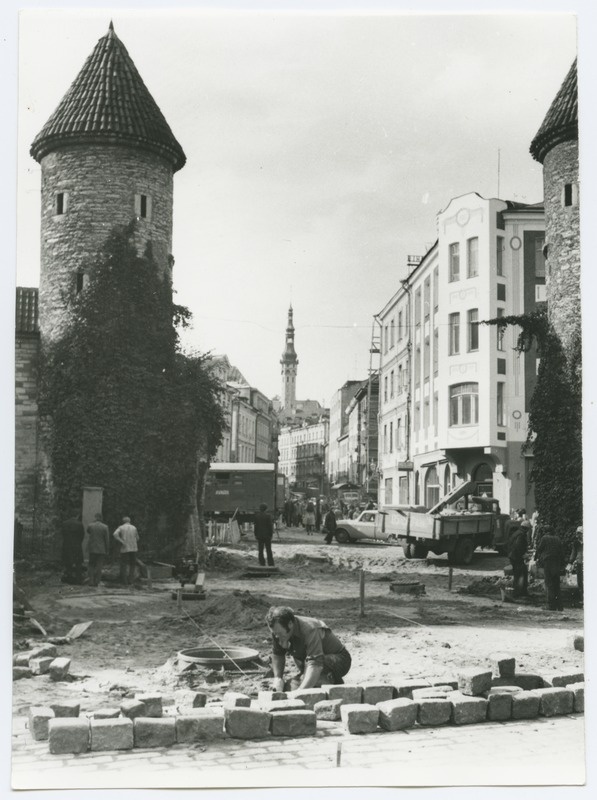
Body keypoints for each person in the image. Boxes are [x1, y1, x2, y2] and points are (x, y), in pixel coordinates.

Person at [266, 606, 351, 691]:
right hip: (310, 663)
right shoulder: (277, 629)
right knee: (289, 687)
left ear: (290, 624)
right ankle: (326, 680)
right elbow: (278, 654)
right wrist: (278, 679)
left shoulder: (309, 629)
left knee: (302, 687)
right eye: (274, 633)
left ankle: (332, 683)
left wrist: (300, 693)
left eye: (279, 633)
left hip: (339, 660)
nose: (276, 636)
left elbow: (316, 664)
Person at [535, 525, 565, 611]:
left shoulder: (544, 538)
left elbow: (539, 549)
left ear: (546, 531)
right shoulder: (557, 539)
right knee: (556, 584)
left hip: (548, 562)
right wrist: (562, 564)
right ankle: (559, 606)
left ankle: (551, 606)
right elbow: (561, 553)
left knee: (549, 583)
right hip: (557, 562)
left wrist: (536, 558)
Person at [113, 516, 139, 585]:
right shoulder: (134, 527)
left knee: (124, 564)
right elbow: (138, 538)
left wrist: (121, 541)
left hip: (125, 547)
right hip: (133, 548)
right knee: (132, 564)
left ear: (123, 521)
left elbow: (115, 534)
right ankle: (131, 580)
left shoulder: (121, 527)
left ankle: (124, 581)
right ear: (129, 521)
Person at [86, 513, 110, 586]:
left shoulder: (90, 525)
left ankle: (91, 581)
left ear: (95, 517)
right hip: (101, 548)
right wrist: (107, 549)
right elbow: (107, 539)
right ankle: (97, 581)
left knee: (91, 564)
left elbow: (88, 532)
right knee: (99, 565)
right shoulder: (105, 527)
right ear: (101, 518)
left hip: (92, 548)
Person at [61, 512, 85, 584]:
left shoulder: (64, 523)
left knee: (68, 562)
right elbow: (82, 535)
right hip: (76, 545)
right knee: (78, 562)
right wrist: (78, 542)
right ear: (76, 516)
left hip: (67, 545)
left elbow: (63, 534)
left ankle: (69, 578)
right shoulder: (79, 524)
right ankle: (78, 579)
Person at [507, 521, 529, 597]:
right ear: (526, 529)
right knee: (521, 574)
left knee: (518, 574)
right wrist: (523, 554)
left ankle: (518, 592)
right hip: (517, 557)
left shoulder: (517, 533)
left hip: (513, 556)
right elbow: (518, 546)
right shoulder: (521, 535)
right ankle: (519, 592)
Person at [568, 526, 583, 605]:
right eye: (577, 534)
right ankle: (582, 598)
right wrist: (570, 563)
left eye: (579, 534)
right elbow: (573, 554)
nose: (577, 536)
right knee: (580, 581)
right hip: (580, 563)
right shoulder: (576, 543)